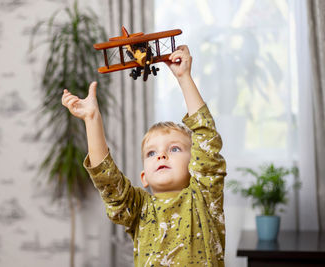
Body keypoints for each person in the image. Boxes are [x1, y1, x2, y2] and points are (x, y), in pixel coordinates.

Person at [62, 45, 226, 266]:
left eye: (174, 149)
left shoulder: (204, 195)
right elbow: (107, 180)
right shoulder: (139, 208)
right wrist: (92, 119)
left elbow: (206, 137)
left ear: (195, 162)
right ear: (144, 177)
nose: (161, 156)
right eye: (151, 153)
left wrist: (184, 77)